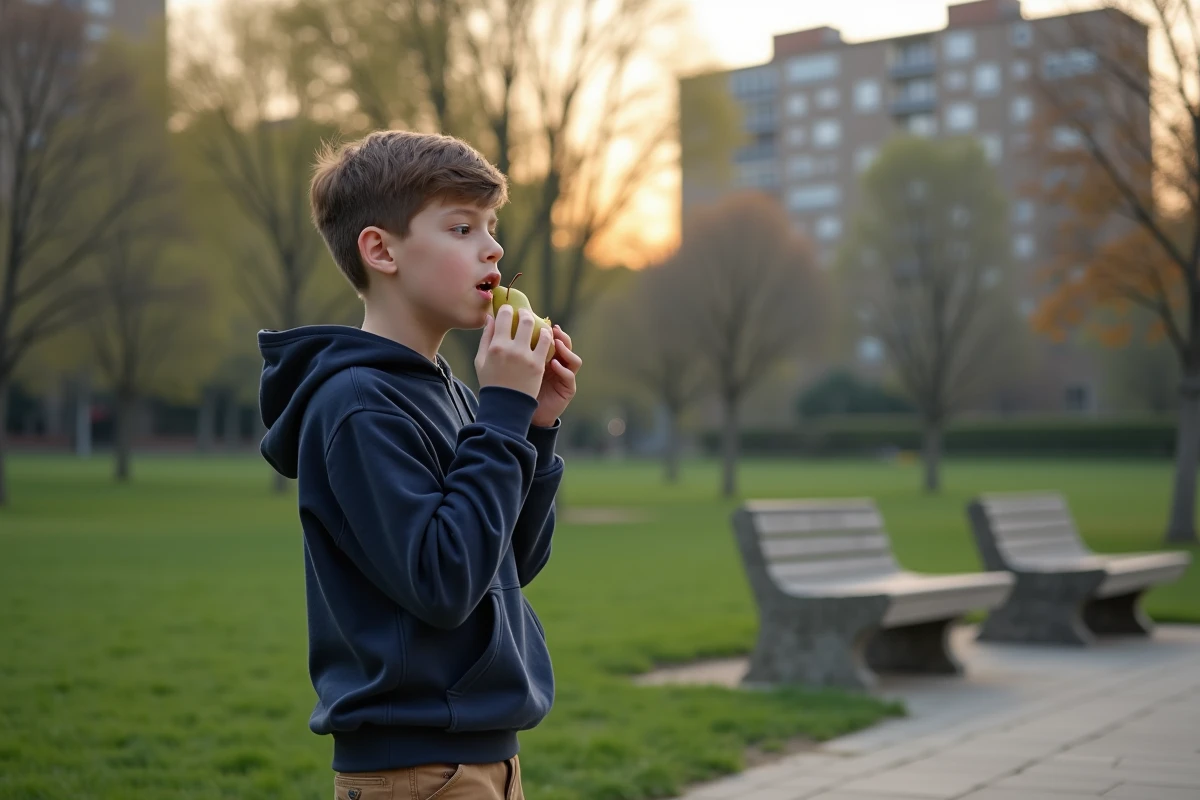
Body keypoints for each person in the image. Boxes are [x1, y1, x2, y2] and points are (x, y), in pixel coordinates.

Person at [256, 130, 582, 800]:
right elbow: (443, 581)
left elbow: (509, 562)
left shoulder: (453, 393)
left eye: (491, 227)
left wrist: (533, 426)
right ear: (381, 250)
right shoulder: (356, 405)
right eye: (462, 227)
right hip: (416, 769)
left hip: (484, 755)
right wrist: (500, 413)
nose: (492, 247)